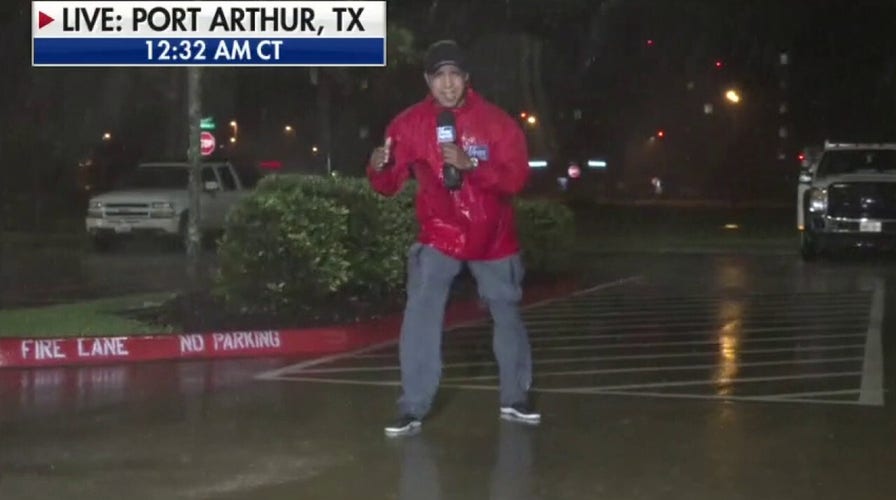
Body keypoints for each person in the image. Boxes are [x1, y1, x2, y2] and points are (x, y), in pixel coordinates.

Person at [367, 40, 540, 436]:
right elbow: (389, 183)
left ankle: (515, 398)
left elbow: (515, 178)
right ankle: (412, 406)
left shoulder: (498, 122)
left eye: (454, 75)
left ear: (466, 79)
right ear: (428, 80)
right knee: (421, 313)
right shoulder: (408, 124)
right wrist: (378, 168)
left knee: (506, 314)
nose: (447, 84)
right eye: (439, 76)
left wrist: (472, 165)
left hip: (493, 236)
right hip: (439, 233)